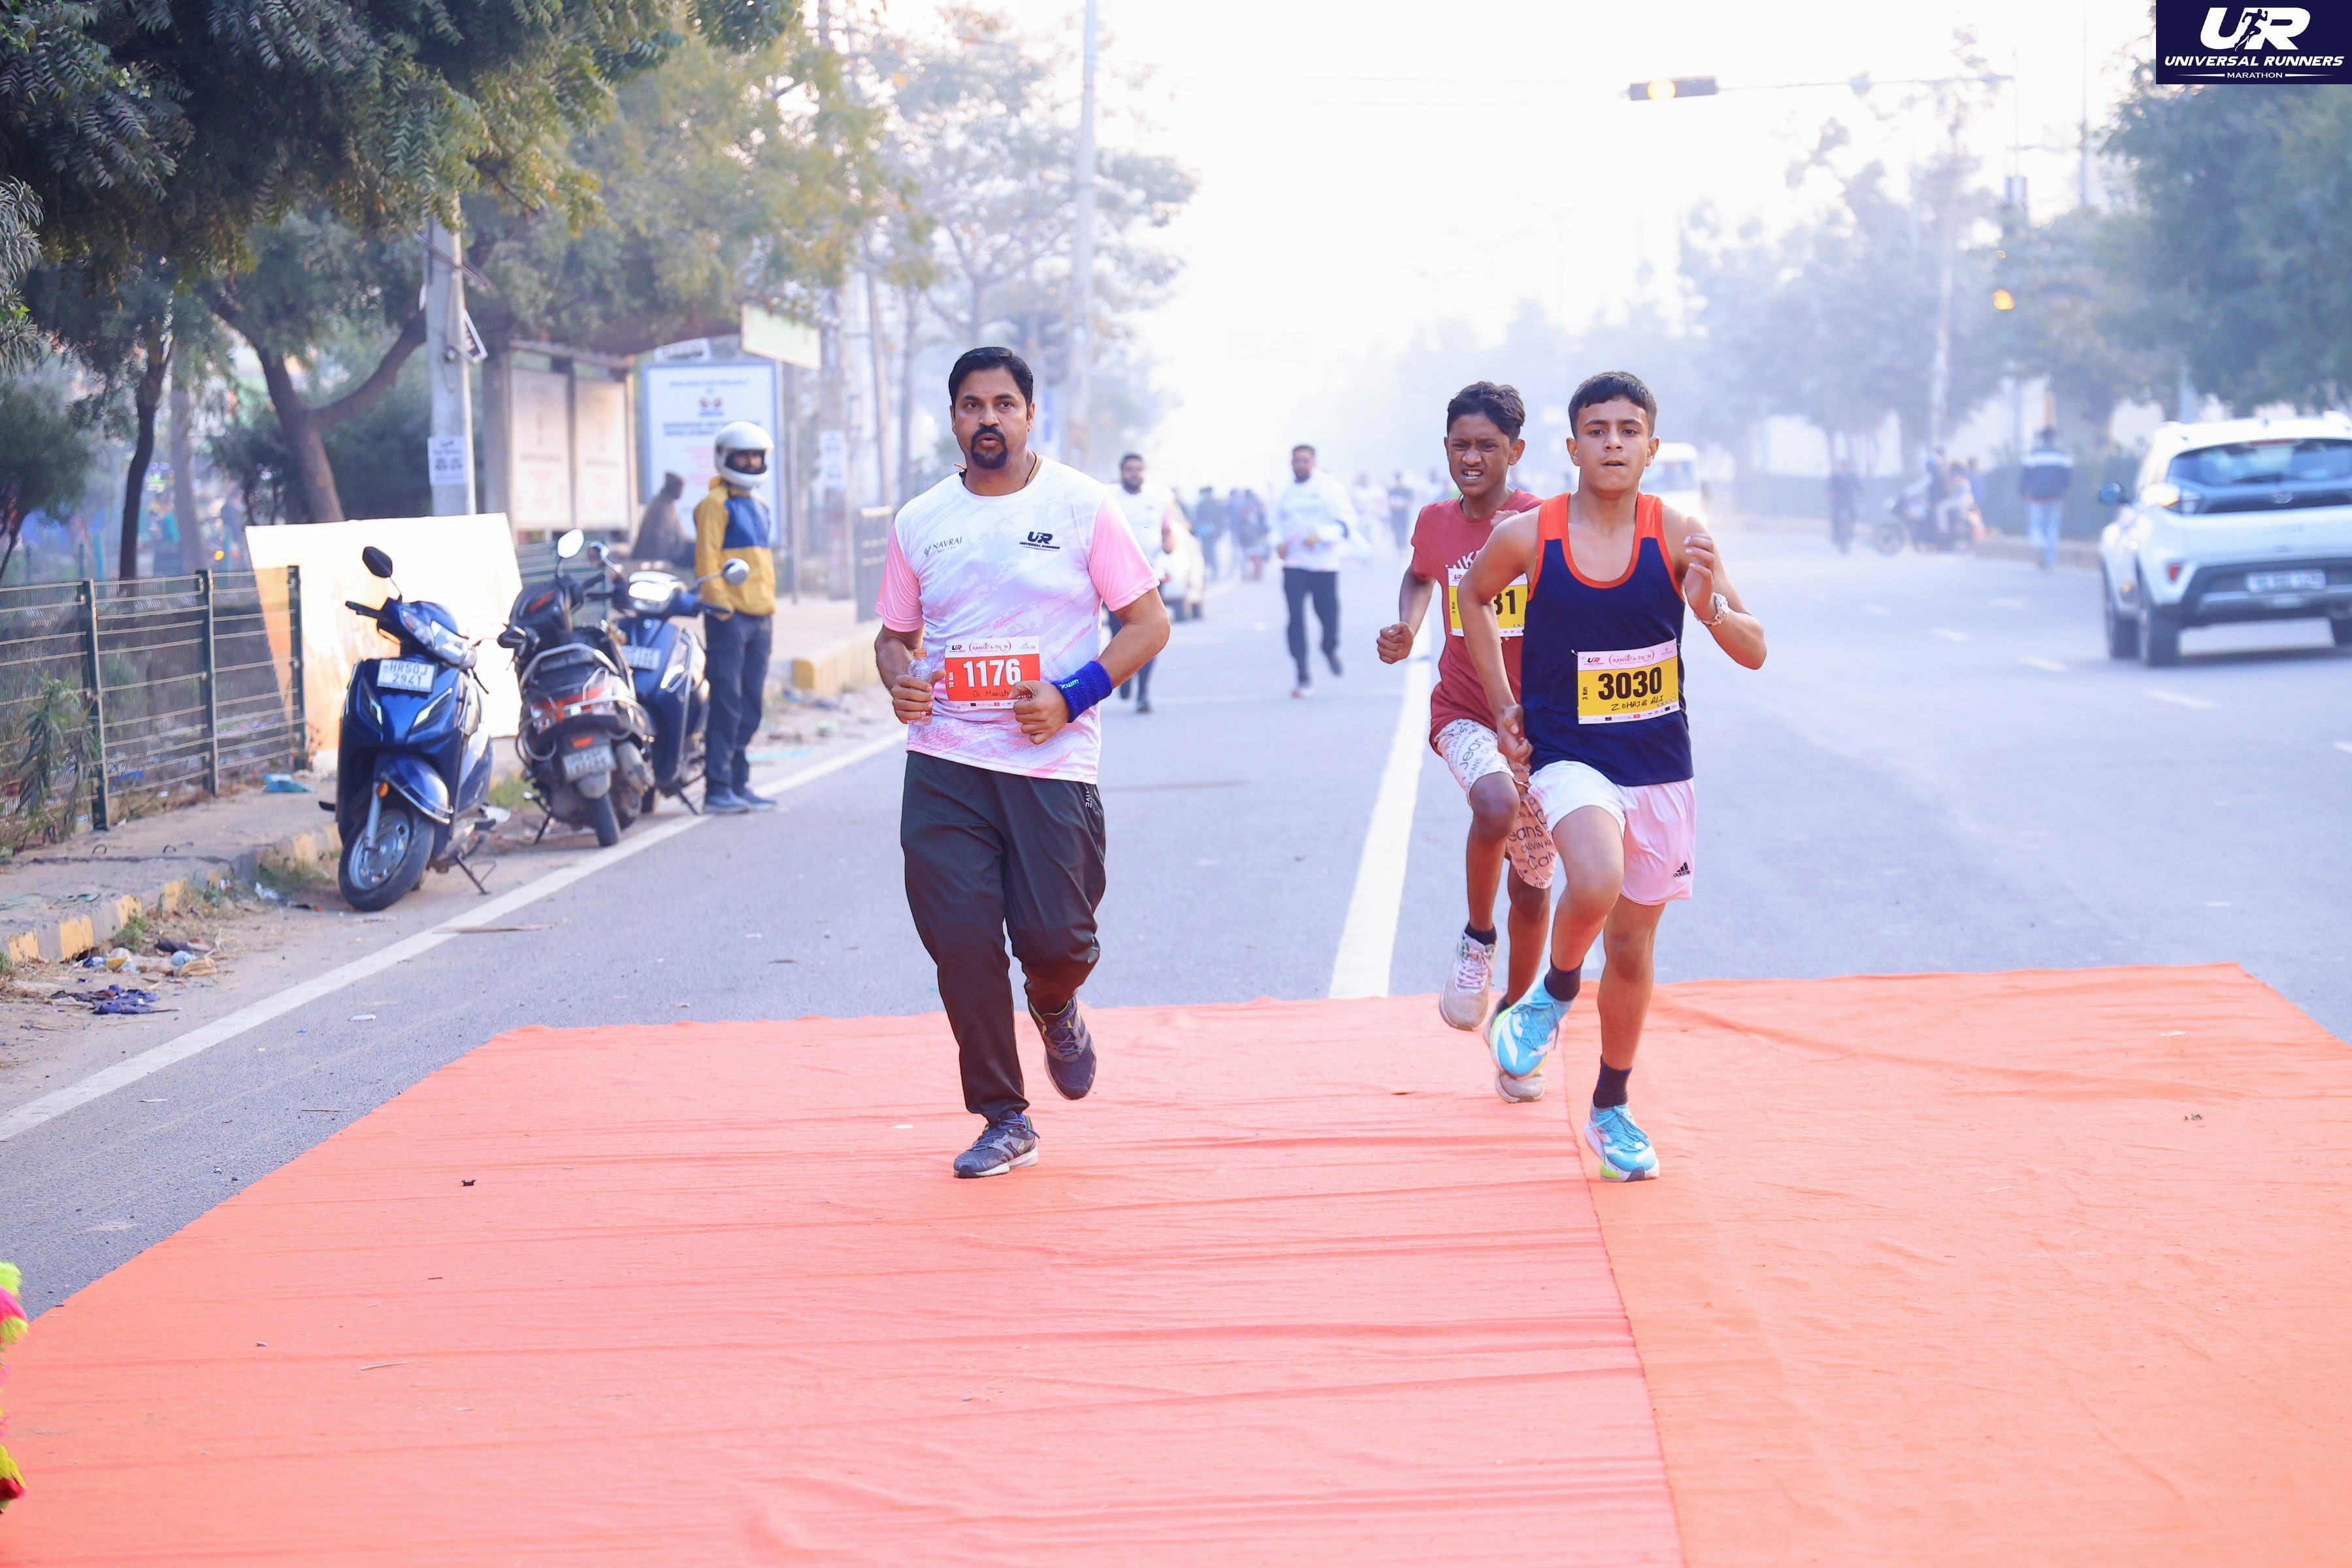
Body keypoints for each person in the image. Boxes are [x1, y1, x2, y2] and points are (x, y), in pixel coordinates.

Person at [1459, 370, 1767, 1178]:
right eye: (1597, 430)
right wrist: (1502, 703)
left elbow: (1755, 649)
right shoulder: (1533, 535)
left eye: (1629, 430)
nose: (1613, 443)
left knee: (1631, 947)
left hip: (1660, 764)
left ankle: (1611, 1108)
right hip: (1571, 756)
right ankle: (1555, 993)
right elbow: (1474, 599)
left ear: (1652, 447)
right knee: (1594, 879)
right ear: (1572, 448)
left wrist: (1708, 604)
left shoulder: (1679, 534)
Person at [874, 347, 1171, 1180]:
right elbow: (894, 638)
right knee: (962, 943)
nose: (989, 419)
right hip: (945, 764)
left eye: (1004, 404)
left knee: (1058, 942)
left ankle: (1055, 1001)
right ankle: (1004, 1117)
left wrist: (1072, 695)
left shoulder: (1081, 505)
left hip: (1050, 764)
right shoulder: (920, 520)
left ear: (1030, 415)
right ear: (954, 418)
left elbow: (1148, 623)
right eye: (972, 405)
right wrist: (900, 679)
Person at [1375, 382, 1552, 1068]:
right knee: (1495, 803)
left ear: (1516, 450)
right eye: (1460, 446)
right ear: (1445, 448)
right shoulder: (1435, 521)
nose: (1471, 458)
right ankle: (1478, 940)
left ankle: (1517, 1023)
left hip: (1542, 727)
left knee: (1531, 888)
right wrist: (1407, 624)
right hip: (1467, 711)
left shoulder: (1541, 523)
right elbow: (1420, 575)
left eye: (1487, 446)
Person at [694, 423, 778, 815]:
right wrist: (724, 609)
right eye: (742, 455)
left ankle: (739, 782)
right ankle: (717, 788)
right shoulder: (714, 504)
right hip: (730, 619)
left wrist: (767, 607)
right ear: (725, 458)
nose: (750, 462)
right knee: (726, 703)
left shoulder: (759, 505)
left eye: (756, 456)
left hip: (761, 617)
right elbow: (707, 563)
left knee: (751, 705)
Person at [1272, 444, 1358, 696]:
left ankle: (1329, 648)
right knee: (1295, 618)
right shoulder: (1282, 491)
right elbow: (1274, 524)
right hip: (1294, 564)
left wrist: (1321, 536)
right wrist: (1277, 543)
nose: (1300, 465)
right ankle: (1302, 674)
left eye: (1305, 460)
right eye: (1296, 461)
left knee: (1328, 616)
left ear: (1314, 463)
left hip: (1324, 563)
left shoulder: (1330, 488)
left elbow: (1347, 522)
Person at [1111, 451, 1182, 712]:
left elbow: (1167, 532)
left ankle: (1143, 692)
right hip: (1115, 576)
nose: (1135, 474)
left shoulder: (1158, 500)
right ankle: (1124, 675)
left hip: (1150, 576)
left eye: (1139, 469)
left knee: (1150, 633)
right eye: (1130, 469)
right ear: (1122, 472)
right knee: (1120, 633)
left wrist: (1168, 544)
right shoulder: (1108, 498)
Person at [2019, 427, 2073, 571]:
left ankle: (2040, 543)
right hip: (2056, 497)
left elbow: (2025, 476)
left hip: (2037, 497)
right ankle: (2050, 561)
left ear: (2041, 438)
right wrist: (2062, 490)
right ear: (2054, 438)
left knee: (2036, 525)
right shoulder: (2063, 455)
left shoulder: (2033, 455)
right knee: (2053, 527)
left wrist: (2023, 492)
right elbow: (2068, 478)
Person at [631, 471, 691, 568]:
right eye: (680, 489)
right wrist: (664, 562)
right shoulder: (662, 506)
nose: (681, 492)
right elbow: (660, 538)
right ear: (673, 488)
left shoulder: (669, 505)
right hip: (652, 559)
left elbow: (680, 533)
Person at [1232, 487, 1270, 580]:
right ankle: (1255, 574)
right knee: (1255, 557)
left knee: (1251, 557)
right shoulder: (1257, 505)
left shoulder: (1242, 505)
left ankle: (1253, 574)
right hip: (1254, 537)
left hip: (1249, 537)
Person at [1827, 459, 1861, 554]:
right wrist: (1830, 493)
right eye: (1843, 466)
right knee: (1835, 517)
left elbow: (1859, 486)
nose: (1845, 468)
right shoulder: (1835, 477)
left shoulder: (1852, 477)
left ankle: (1851, 533)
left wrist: (1861, 493)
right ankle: (1835, 535)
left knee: (1853, 515)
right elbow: (1829, 486)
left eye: (1846, 466)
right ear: (1841, 467)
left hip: (1849, 501)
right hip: (1838, 501)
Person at [1192, 485, 1226, 580]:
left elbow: (1197, 519)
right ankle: (1214, 572)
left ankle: (1210, 572)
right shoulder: (1217, 503)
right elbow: (1221, 520)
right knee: (1211, 552)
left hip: (1206, 533)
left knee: (1207, 552)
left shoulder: (1202, 504)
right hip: (1212, 532)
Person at [1386, 470, 1416, 551]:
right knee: (1397, 532)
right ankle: (1399, 549)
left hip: (1404, 514)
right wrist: (1393, 505)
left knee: (1405, 532)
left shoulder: (1407, 490)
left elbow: (1413, 499)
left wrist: (1405, 504)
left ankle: (1405, 548)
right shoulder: (1392, 490)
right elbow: (1388, 501)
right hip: (1395, 515)